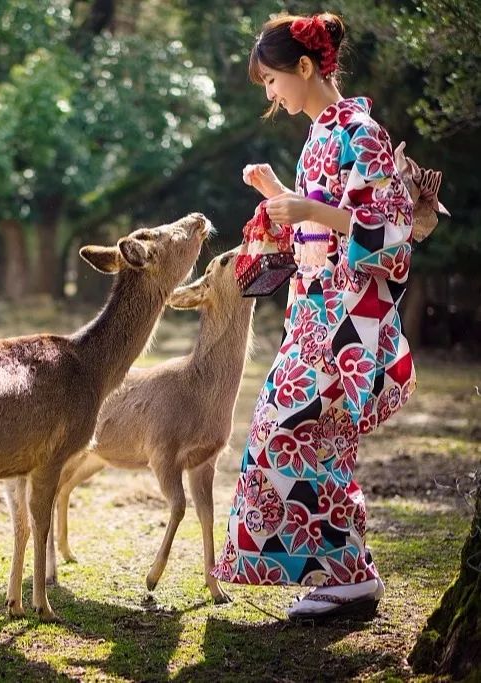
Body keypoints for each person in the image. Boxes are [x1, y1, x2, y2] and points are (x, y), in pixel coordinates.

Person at [211, 11, 416, 620]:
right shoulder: (320, 135)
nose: (270, 93)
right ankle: (348, 573)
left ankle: (351, 576)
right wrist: (280, 195)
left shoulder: (362, 131)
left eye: (272, 80)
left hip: (351, 318)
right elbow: (317, 222)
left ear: (304, 68)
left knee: (299, 437)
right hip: (314, 316)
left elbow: (392, 230)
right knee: (295, 439)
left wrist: (305, 208)